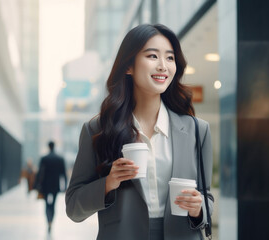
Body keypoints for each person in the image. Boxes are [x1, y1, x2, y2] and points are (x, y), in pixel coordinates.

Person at [65, 24, 214, 240]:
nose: (163, 66)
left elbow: (206, 197)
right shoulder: (98, 130)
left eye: (170, 58)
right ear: (128, 66)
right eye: (153, 56)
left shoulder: (197, 130)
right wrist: (108, 183)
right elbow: (73, 207)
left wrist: (198, 208)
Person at [35, 141, 67, 233]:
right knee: (53, 204)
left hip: (45, 186)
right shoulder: (60, 159)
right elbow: (63, 174)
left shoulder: (44, 158)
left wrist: (37, 185)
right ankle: (51, 221)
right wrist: (64, 187)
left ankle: (48, 221)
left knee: (46, 204)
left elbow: (39, 173)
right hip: (55, 186)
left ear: (48, 147)